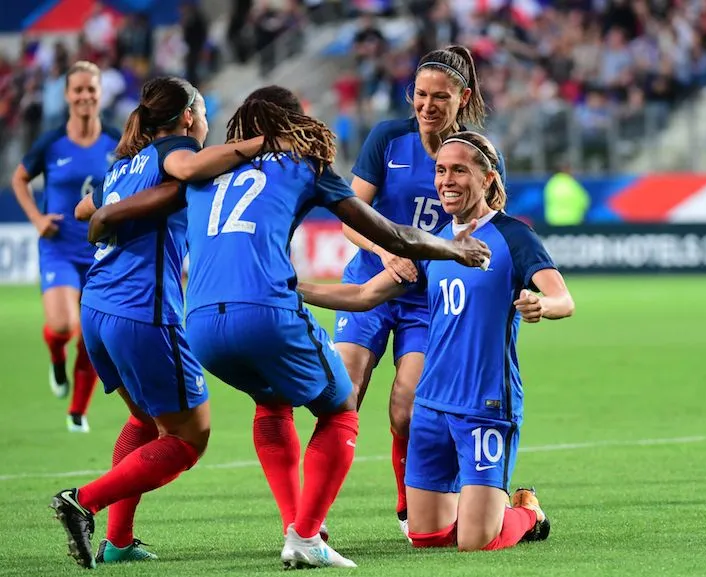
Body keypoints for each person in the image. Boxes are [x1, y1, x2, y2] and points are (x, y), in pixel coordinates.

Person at [87, 85, 491, 569]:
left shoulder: (203, 173)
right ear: (291, 124)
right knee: (341, 407)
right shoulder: (304, 164)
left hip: (199, 326)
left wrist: (101, 211)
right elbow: (391, 232)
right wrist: (454, 249)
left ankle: (292, 526)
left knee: (271, 401)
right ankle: (305, 535)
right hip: (263, 311)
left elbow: (121, 205)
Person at [298, 131, 575, 552]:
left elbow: (563, 298)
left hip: (485, 406)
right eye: (441, 170)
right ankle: (484, 509)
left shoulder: (514, 237)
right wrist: (291, 288)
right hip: (430, 406)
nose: (447, 180)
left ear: (487, 179)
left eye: (460, 170)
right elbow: (363, 295)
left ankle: (527, 512)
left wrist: (542, 304)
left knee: (476, 542)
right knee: (427, 539)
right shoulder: (434, 246)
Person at [49, 76, 276, 569]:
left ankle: (118, 543)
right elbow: (191, 165)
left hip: (99, 309)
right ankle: (83, 501)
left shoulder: (124, 163)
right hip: (143, 312)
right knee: (188, 438)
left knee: (144, 421)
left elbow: (88, 209)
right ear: (190, 116)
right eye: (205, 112)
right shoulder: (173, 149)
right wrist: (265, 140)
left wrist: (98, 209)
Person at [337, 45, 506, 537]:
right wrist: (387, 251)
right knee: (343, 393)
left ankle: (409, 504)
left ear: (463, 98)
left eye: (440, 97)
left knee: (407, 408)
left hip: (429, 301)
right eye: (420, 94)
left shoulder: (474, 156)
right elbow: (349, 216)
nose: (427, 105)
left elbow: (489, 230)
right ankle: (310, 523)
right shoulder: (388, 139)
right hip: (371, 278)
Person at [10, 61, 121, 433]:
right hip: (58, 247)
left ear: (100, 93)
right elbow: (20, 178)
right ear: (67, 95)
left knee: (92, 337)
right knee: (61, 325)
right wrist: (37, 220)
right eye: (79, 90)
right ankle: (57, 360)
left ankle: (77, 411)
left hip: (100, 252)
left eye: (92, 89)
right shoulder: (52, 142)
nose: (86, 96)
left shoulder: (116, 143)